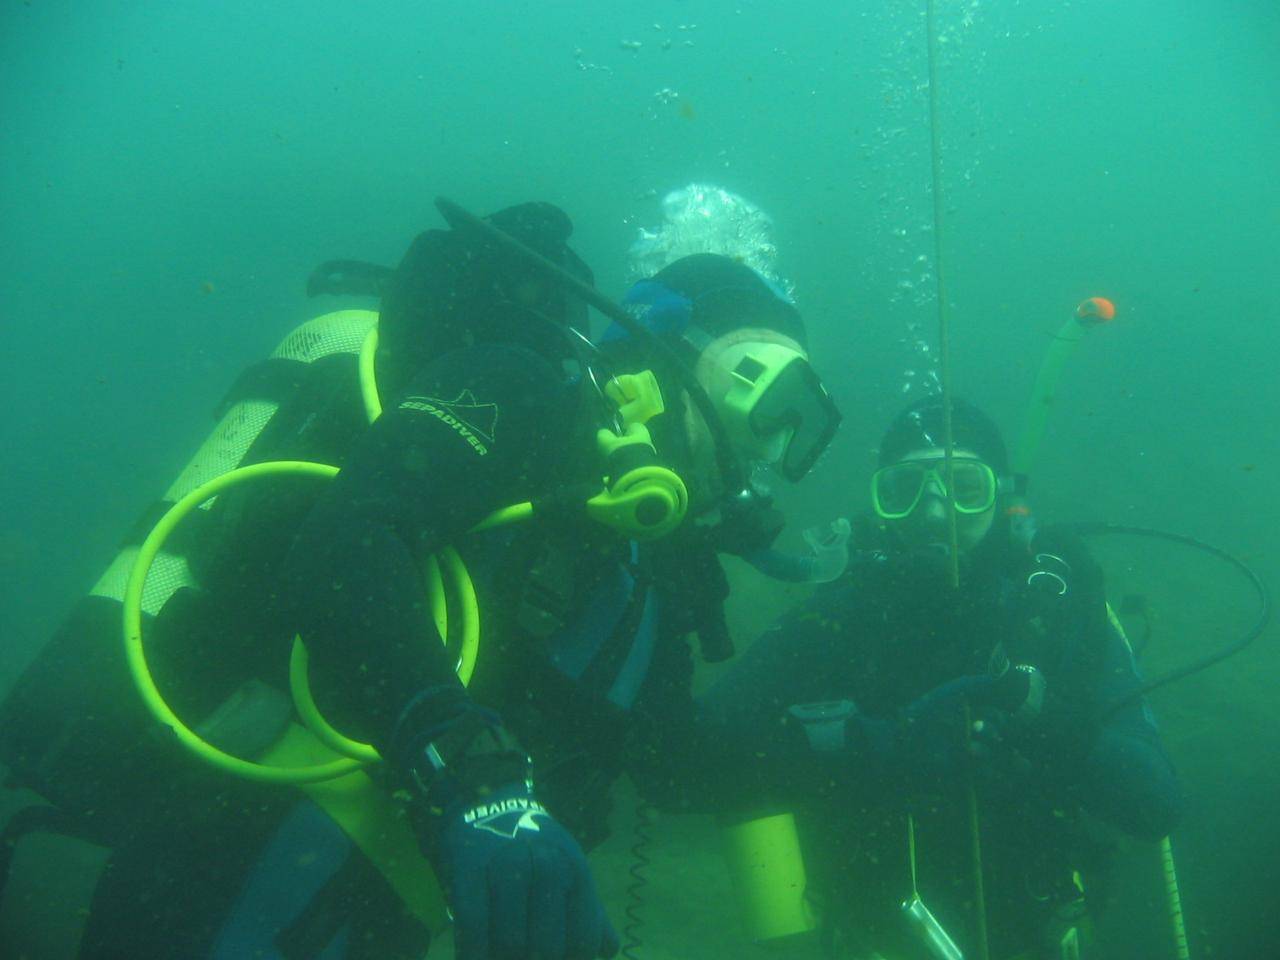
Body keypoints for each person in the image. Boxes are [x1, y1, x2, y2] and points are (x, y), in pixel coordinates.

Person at [0, 200, 842, 959]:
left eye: (797, 431)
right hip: (216, 859)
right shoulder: (520, 392)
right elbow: (346, 546)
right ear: (671, 349)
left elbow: (671, 761)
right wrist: (475, 779)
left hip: (370, 922)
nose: (769, 448)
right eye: (770, 391)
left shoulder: (658, 575)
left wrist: (857, 731)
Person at [697, 395, 1181, 960]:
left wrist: (1050, 725)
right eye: (903, 489)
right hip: (869, 939)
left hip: (1033, 934)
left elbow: (1155, 804)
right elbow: (692, 757)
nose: (933, 513)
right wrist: (858, 745)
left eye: (965, 487)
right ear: (879, 506)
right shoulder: (842, 614)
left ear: (1002, 498)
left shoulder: (1053, 612)